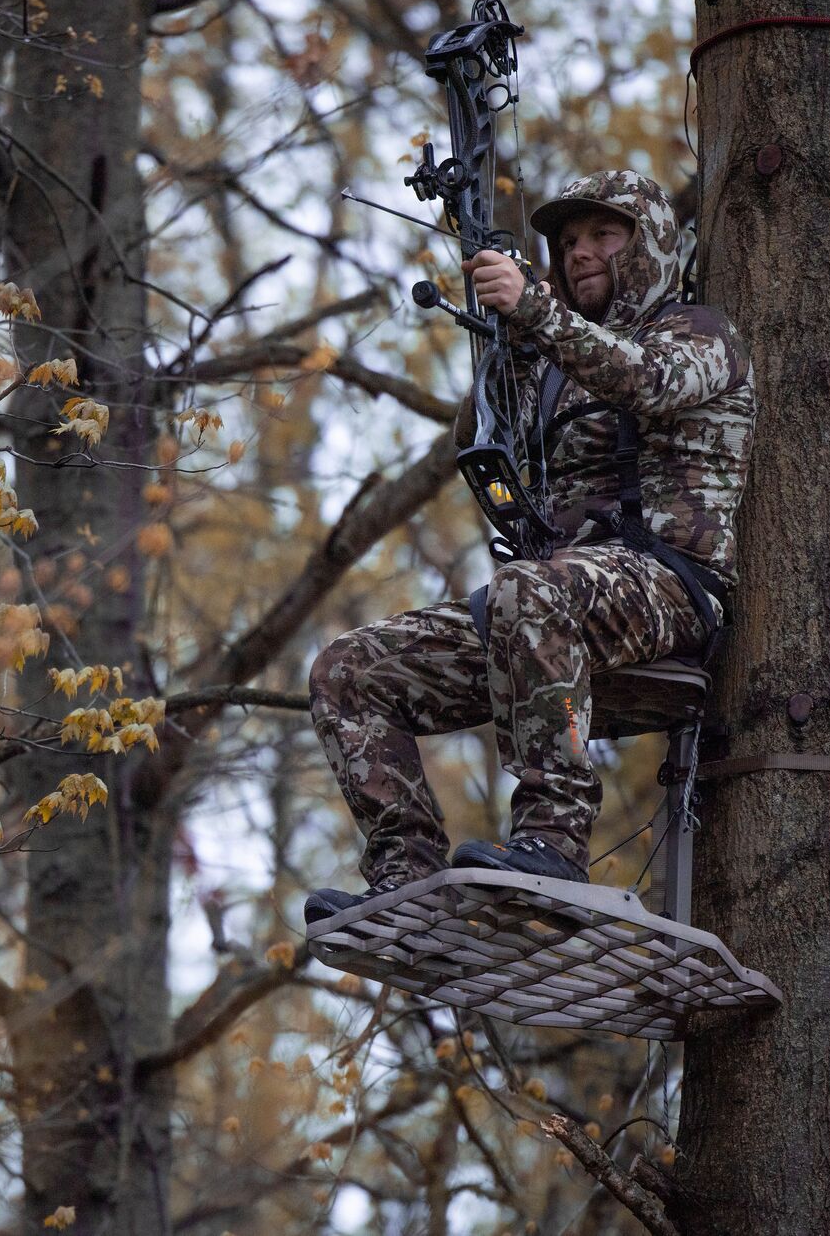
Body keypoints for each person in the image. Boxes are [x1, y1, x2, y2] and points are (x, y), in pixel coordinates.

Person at [305, 169, 754, 922]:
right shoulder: (551, 360)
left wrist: (535, 313)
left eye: (602, 235)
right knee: (350, 671)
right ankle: (405, 878)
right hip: (546, 611)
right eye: (568, 241)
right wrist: (506, 342)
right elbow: (474, 439)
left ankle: (553, 844)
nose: (580, 252)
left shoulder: (700, 334)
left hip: (671, 589)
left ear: (647, 244)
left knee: (527, 589)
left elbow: (646, 382)